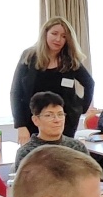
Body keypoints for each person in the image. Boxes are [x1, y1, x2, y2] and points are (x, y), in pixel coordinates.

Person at [10, 16, 95, 144]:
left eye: (64, 36)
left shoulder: (70, 60)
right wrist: (20, 125)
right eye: (54, 34)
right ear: (45, 33)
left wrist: (80, 108)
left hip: (63, 123)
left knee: (61, 155)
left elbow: (89, 83)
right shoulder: (29, 56)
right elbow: (16, 92)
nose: (58, 39)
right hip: (33, 121)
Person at [14, 92, 91, 168]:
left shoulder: (77, 147)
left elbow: (90, 174)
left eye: (60, 114)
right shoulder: (27, 152)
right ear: (36, 120)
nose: (57, 120)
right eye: (49, 115)